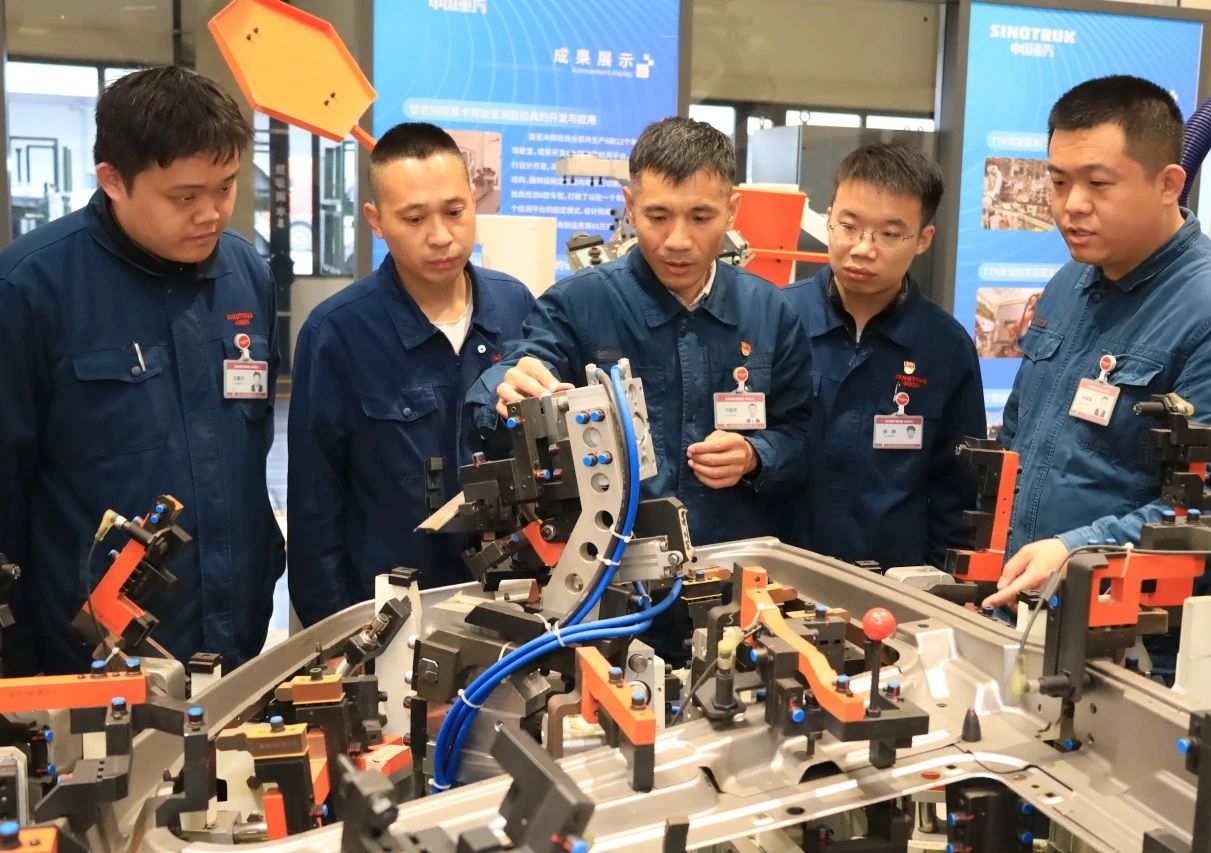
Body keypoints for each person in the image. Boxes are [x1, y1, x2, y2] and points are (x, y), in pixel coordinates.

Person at [0, 67, 284, 674]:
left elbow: (252, 443)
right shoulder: (31, 288)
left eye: (227, 187)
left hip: (235, 631)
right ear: (112, 181)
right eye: (185, 196)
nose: (212, 213)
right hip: (91, 649)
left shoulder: (247, 274)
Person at [983, 75, 1211, 611]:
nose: (1072, 205)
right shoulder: (1068, 285)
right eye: (1058, 182)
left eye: (1098, 184)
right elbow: (1021, 436)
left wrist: (1077, 551)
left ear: (1168, 184)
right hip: (1025, 601)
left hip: (1133, 634)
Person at [465, 117, 812, 546]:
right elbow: (515, 376)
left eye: (701, 216)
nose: (678, 240)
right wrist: (505, 388)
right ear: (630, 206)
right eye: (658, 216)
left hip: (731, 561)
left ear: (732, 210)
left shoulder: (769, 312)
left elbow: (802, 435)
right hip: (612, 564)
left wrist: (757, 455)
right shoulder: (578, 304)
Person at [288, 123, 534, 627]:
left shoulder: (516, 306)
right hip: (388, 618)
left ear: (475, 201)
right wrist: (334, 636)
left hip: (510, 606)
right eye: (415, 218)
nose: (441, 236)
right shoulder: (337, 333)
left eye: (455, 211)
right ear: (376, 221)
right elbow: (315, 508)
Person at [782, 143, 985, 570]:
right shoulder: (777, 319)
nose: (862, 248)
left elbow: (957, 494)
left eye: (889, 234)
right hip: (777, 574)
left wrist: (939, 588)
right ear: (828, 219)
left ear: (923, 239)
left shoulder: (945, 347)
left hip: (890, 585)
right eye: (848, 226)